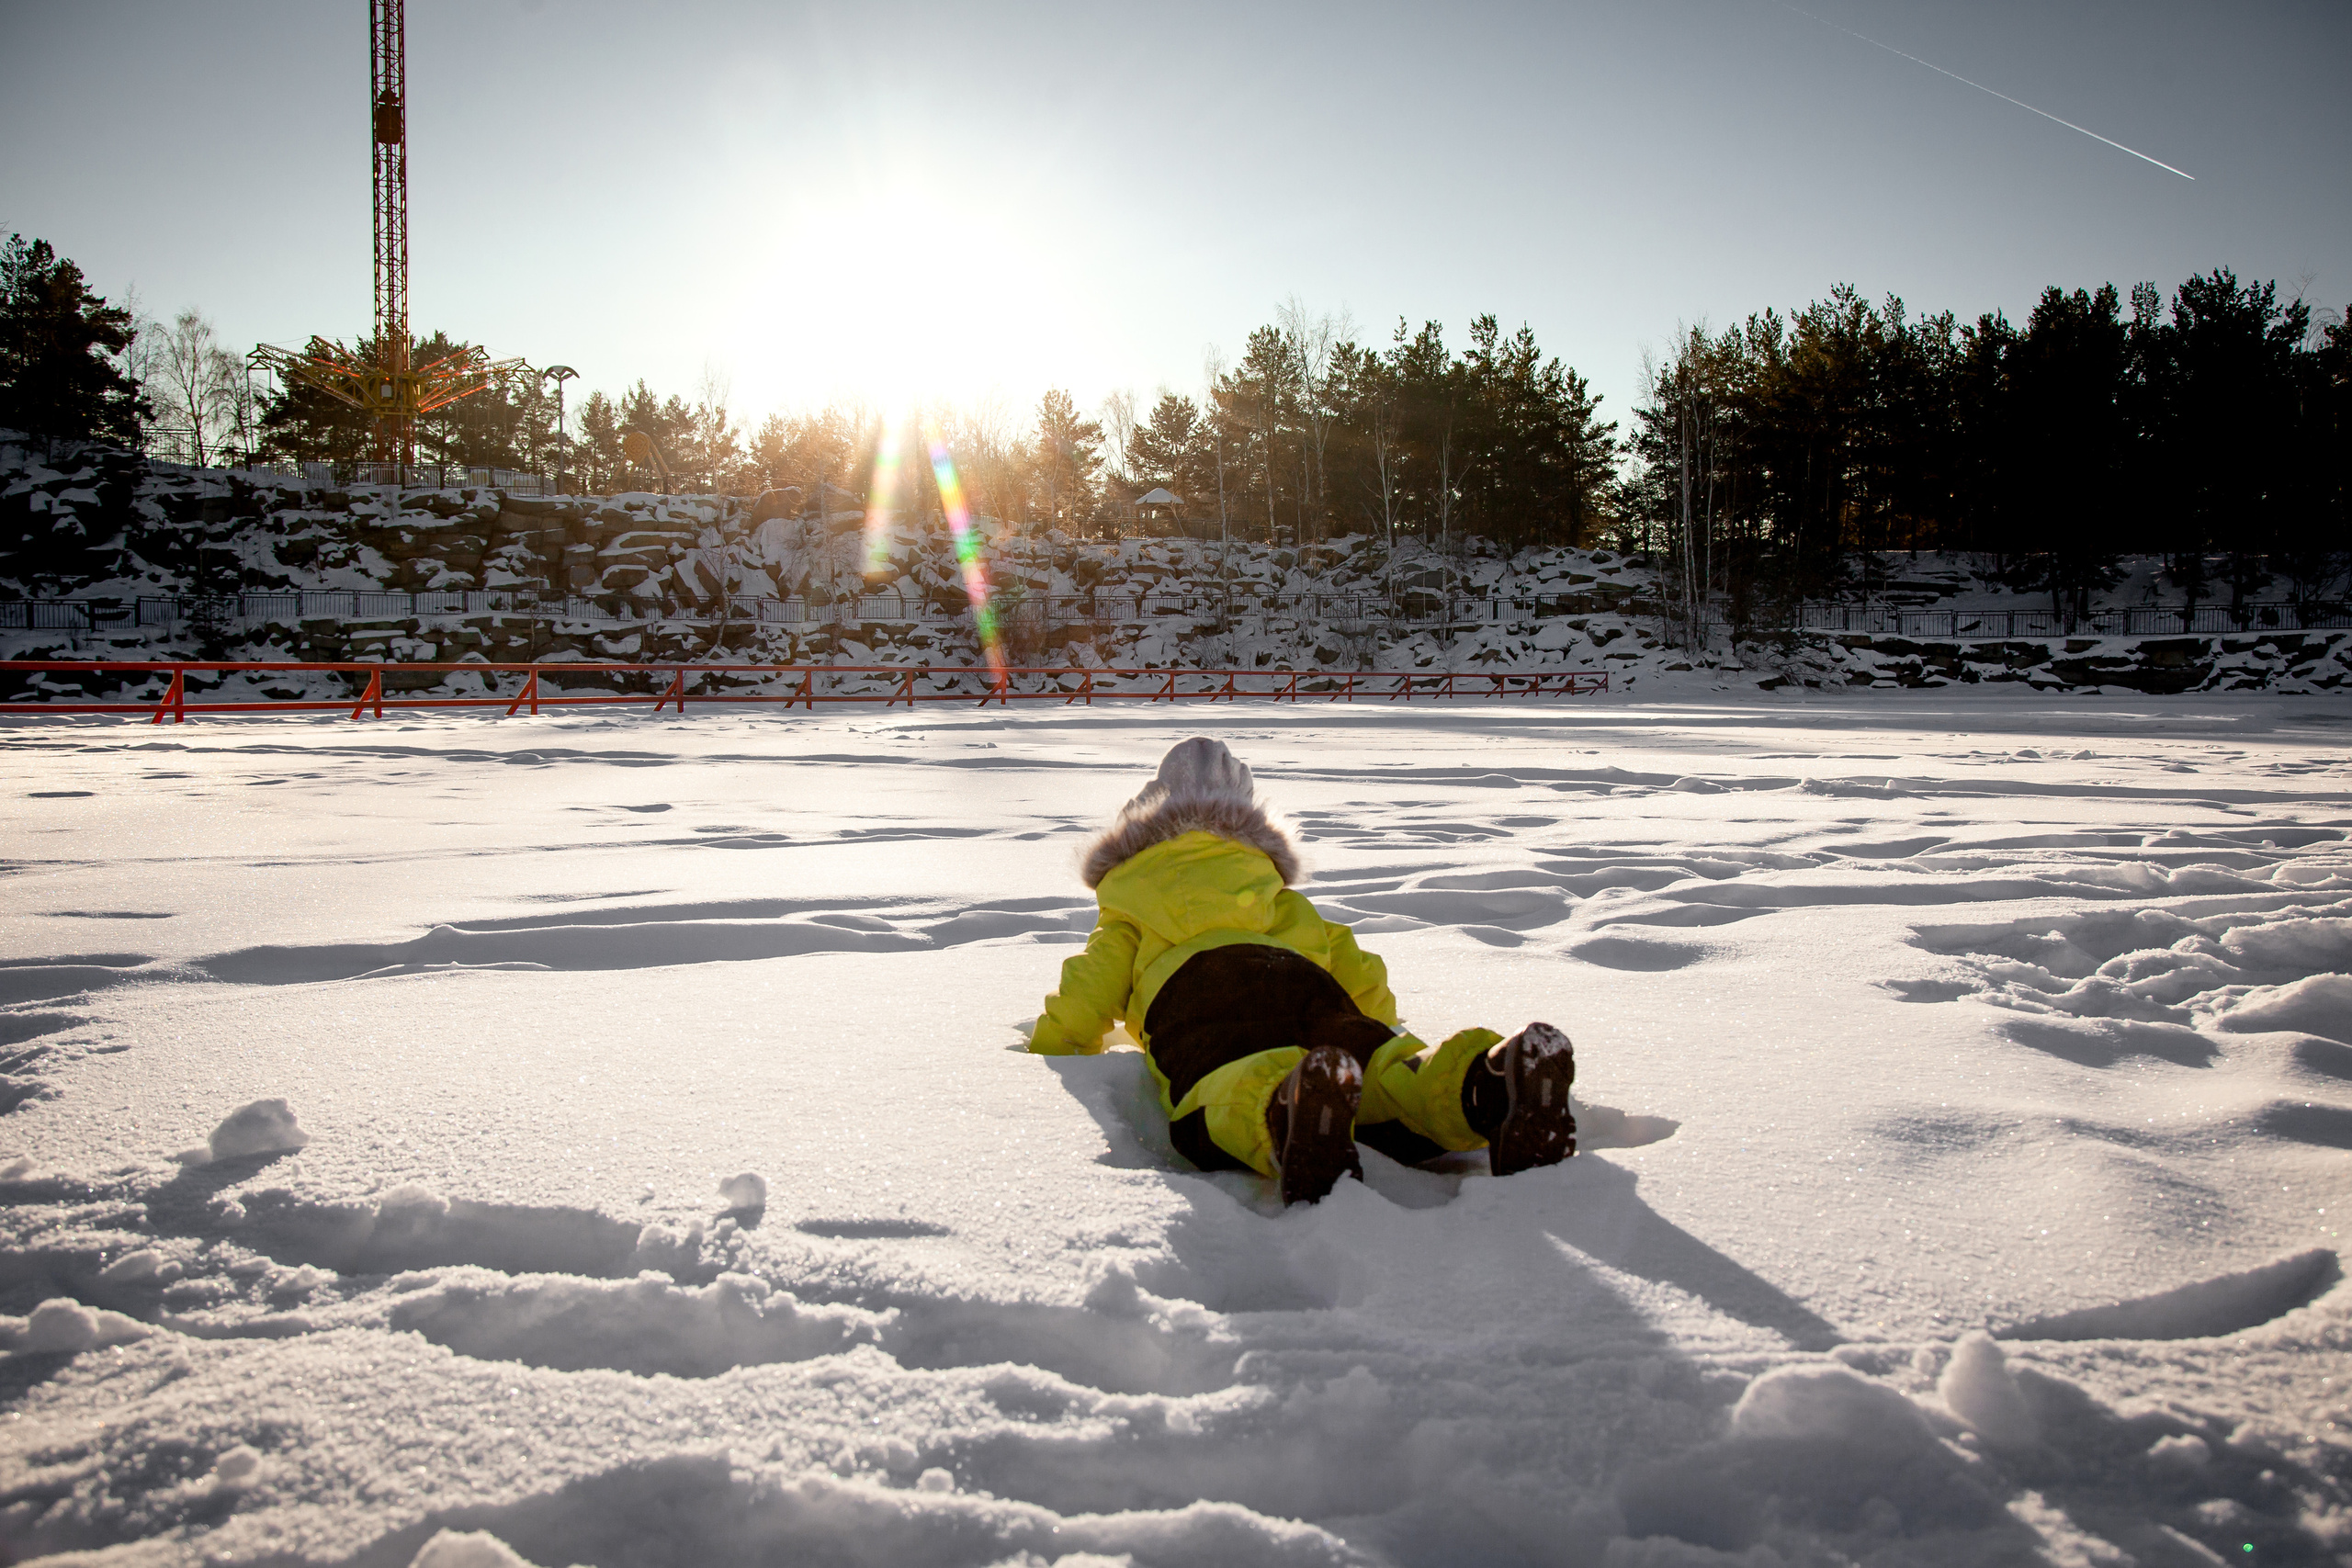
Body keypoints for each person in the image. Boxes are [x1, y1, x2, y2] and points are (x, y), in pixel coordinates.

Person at [1027, 737, 1577, 1204]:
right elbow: (1348, 956)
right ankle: (1481, 1082)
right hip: (1304, 984)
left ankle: (1287, 1109)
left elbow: (1095, 978)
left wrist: (1060, 1042)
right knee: (1380, 1068)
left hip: (1194, 994)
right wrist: (1377, 1026)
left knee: (1221, 1076)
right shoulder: (1268, 884)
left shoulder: (1131, 890)